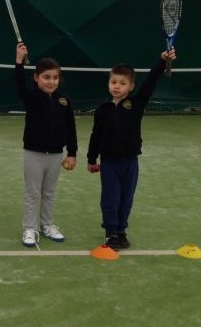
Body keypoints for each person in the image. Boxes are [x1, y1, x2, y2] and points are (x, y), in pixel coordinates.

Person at [87, 48, 177, 250]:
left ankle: (121, 231)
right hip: (109, 163)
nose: (117, 86)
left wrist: (162, 62)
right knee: (111, 199)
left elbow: (150, 82)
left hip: (130, 163)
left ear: (131, 86)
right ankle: (111, 233)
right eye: (113, 82)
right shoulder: (102, 110)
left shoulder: (137, 104)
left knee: (126, 199)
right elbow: (95, 135)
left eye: (122, 83)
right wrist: (92, 159)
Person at [15, 43, 77, 247]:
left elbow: (71, 128)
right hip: (33, 153)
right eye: (46, 77)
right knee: (32, 193)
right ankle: (29, 228)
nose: (51, 82)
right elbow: (20, 85)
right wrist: (19, 61)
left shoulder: (64, 101)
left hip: (56, 155)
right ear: (36, 78)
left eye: (55, 78)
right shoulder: (31, 97)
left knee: (49, 193)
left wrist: (72, 153)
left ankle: (47, 224)